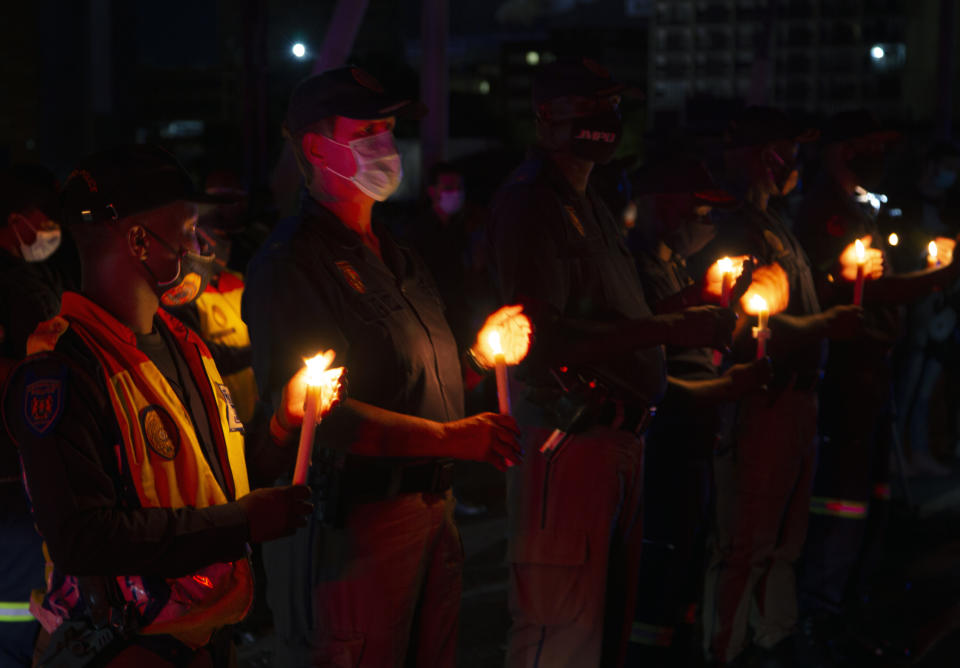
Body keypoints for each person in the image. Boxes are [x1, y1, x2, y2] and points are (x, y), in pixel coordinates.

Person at [242, 66, 522, 667]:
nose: (388, 145)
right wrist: (452, 438)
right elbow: (324, 414)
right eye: (369, 129)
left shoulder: (398, 253)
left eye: (390, 129)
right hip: (356, 532)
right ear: (317, 148)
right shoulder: (291, 263)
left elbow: (417, 380)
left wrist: (480, 355)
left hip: (431, 514)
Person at [2, 145, 314, 667]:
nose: (200, 247)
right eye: (189, 230)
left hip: (206, 637)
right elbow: (83, 538)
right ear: (140, 240)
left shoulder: (186, 346)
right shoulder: (61, 371)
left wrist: (285, 425)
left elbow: (226, 482)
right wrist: (241, 524)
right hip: (125, 647)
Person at [488, 58, 736, 668]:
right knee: (560, 627)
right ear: (546, 117)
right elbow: (540, 338)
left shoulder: (589, 199)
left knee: (603, 624)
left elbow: (609, 309)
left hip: (616, 438)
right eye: (589, 104)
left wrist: (682, 307)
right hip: (569, 436)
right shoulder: (530, 204)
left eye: (614, 105)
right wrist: (667, 326)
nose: (606, 119)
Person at [695, 106, 865, 667]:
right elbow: (752, 317)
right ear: (760, 154)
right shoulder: (738, 226)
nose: (794, 162)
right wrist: (824, 325)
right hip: (763, 401)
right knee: (747, 538)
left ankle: (773, 635)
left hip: (797, 399)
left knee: (784, 538)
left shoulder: (775, 222)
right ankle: (728, 646)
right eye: (786, 150)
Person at [793, 111, 960, 662]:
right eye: (866, 145)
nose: (877, 155)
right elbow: (856, 289)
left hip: (871, 376)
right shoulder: (825, 210)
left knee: (869, 500)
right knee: (841, 502)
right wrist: (934, 281)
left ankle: (852, 608)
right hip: (843, 376)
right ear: (838, 149)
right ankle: (822, 614)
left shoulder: (864, 205)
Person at [627, 157, 771, 666]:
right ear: (666, 206)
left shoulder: (672, 264)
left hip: (694, 443)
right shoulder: (637, 268)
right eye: (700, 212)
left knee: (686, 566)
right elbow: (645, 371)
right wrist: (719, 388)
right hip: (662, 448)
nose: (708, 225)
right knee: (658, 574)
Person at [0, 166, 63, 666]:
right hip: (11, 472)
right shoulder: (10, 281)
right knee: (14, 607)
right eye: (42, 216)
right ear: (16, 219)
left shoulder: (33, 274)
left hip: (24, 467)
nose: (49, 226)